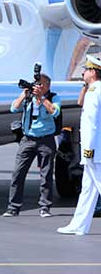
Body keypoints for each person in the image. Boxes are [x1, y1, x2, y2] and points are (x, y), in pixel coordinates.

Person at [3, 73, 61, 218]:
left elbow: (55, 112)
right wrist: (24, 95)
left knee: (46, 175)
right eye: (36, 84)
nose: (37, 87)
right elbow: (13, 108)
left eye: (40, 84)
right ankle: (13, 208)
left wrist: (41, 97)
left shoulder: (53, 97)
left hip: (46, 140)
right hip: (27, 139)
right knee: (18, 173)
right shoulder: (29, 98)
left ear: (47, 85)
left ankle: (45, 207)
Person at [57, 55, 101, 235]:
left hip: (94, 150)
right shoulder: (93, 90)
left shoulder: (95, 92)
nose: (82, 72)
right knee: (88, 190)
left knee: (97, 184)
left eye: (86, 69)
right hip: (94, 149)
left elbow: (92, 123)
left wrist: (89, 150)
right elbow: (80, 103)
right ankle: (79, 225)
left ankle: (79, 225)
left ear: (93, 72)